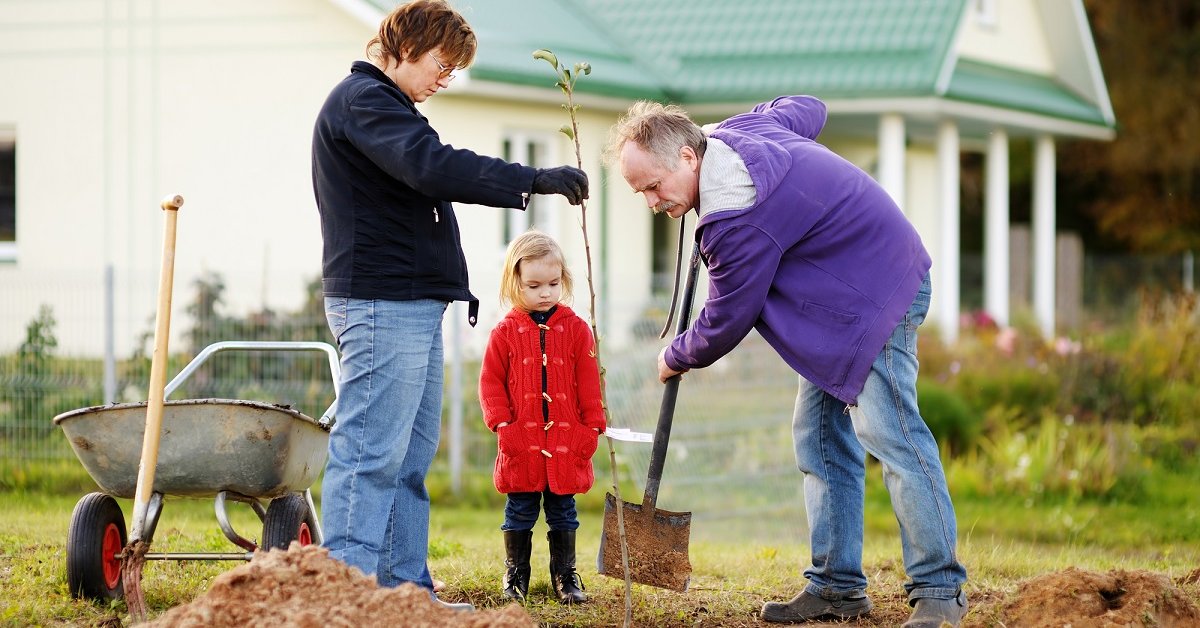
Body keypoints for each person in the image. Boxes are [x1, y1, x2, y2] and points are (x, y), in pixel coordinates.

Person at [606, 96, 969, 627]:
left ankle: (940, 589)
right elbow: (808, 108)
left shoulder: (736, 218)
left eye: (653, 187)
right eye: (640, 192)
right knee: (818, 435)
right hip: (840, 308)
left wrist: (674, 355)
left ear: (688, 158)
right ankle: (836, 588)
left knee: (891, 434)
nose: (651, 202)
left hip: (880, 291)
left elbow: (727, 318)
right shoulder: (739, 131)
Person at [310, 0, 588, 611]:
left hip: (410, 304)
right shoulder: (365, 103)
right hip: (381, 304)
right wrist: (532, 180)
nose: (446, 78)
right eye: (443, 62)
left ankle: (405, 595)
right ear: (407, 44)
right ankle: (346, 598)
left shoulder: (390, 109)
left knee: (407, 458)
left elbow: (426, 171)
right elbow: (434, 167)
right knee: (370, 453)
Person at [478, 230, 606, 605]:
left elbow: (588, 382)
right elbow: (490, 383)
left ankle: (565, 576)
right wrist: (502, 424)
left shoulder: (578, 329)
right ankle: (516, 574)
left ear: (562, 279)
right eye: (534, 285)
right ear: (514, 281)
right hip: (522, 441)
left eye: (553, 283)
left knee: (564, 511)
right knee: (519, 510)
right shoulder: (505, 332)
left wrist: (592, 426)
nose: (545, 292)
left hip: (566, 442)